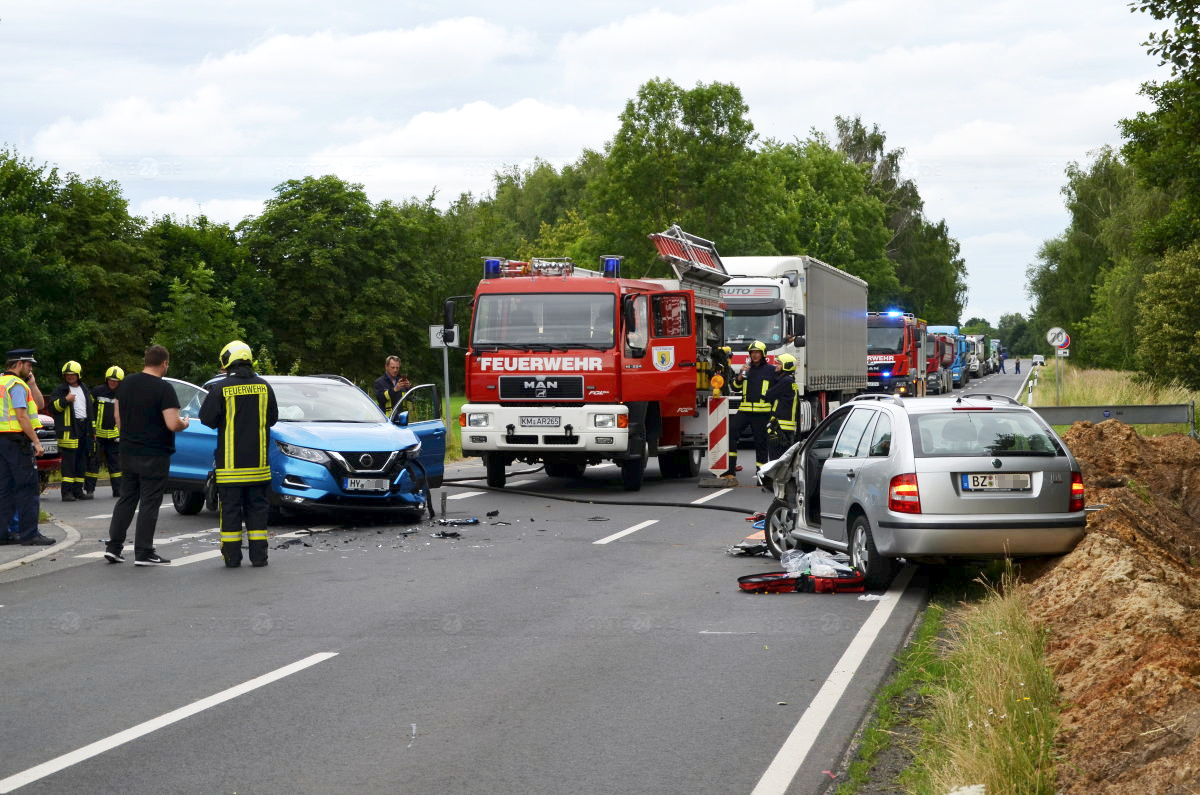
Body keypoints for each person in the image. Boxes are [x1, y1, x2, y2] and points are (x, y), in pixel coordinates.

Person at [105, 345, 189, 566]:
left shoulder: (126, 384)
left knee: (127, 498)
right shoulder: (164, 389)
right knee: (150, 502)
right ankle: (143, 552)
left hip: (128, 450)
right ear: (164, 364)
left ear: (146, 361)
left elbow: (118, 417)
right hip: (154, 454)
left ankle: (114, 547)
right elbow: (172, 423)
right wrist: (185, 423)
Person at [199, 340, 278, 568]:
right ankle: (259, 557)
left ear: (227, 360)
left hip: (231, 468)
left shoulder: (221, 388)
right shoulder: (264, 386)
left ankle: (232, 558)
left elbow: (206, 419)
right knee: (258, 512)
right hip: (259, 466)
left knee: (231, 512)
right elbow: (272, 418)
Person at [1, 349, 55, 546]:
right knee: (27, 488)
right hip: (16, 441)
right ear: (19, 364)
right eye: (29, 364)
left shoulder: (2, 382)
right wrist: (37, 441)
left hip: (2, 442)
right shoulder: (16, 385)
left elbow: (39, 404)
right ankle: (30, 534)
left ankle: (3, 534)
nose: (31, 367)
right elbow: (22, 416)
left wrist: (32, 382)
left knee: (4, 489)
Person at [723, 341, 774, 481]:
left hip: (762, 414)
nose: (755, 355)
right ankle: (730, 471)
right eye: (752, 352)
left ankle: (761, 476)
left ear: (763, 354)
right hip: (744, 411)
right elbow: (735, 387)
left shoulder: (771, 370)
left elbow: (776, 391)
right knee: (731, 432)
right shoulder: (746, 368)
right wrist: (740, 376)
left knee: (760, 443)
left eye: (757, 352)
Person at [49, 360, 96, 501]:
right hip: (70, 430)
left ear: (78, 375)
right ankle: (66, 493)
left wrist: (92, 429)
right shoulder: (60, 390)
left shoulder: (84, 389)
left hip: (84, 428)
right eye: (67, 375)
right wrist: (66, 400)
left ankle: (78, 491)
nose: (69, 377)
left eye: (72, 374)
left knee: (81, 460)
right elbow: (53, 408)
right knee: (69, 462)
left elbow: (90, 409)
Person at [87, 366, 123, 498]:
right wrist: (91, 429)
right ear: (106, 379)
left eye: (116, 381)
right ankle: (89, 490)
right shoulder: (97, 391)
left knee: (116, 464)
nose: (113, 382)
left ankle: (118, 490)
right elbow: (88, 409)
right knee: (93, 462)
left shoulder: (123, 394)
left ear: (120, 382)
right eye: (110, 380)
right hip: (98, 434)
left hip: (115, 436)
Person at [765, 353, 800, 460]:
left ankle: (775, 477)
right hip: (786, 427)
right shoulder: (791, 381)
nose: (776, 366)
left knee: (776, 460)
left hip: (780, 427)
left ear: (786, 366)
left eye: (779, 364)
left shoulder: (785, 382)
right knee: (784, 460)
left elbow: (768, 395)